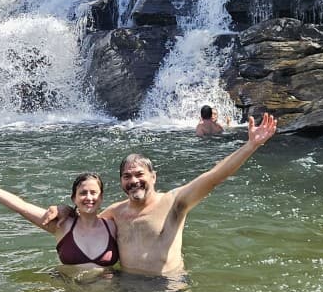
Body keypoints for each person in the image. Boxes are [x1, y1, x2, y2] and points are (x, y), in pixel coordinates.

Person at [107, 112, 277, 277]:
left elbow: (213, 177)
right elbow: (83, 226)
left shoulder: (174, 202)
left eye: (139, 174)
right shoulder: (115, 213)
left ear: (153, 177)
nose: (134, 181)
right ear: (121, 181)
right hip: (128, 285)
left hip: (167, 287)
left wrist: (251, 145)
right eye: (127, 176)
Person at [0, 162, 119, 277]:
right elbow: (20, 205)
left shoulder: (113, 226)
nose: (88, 197)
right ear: (74, 198)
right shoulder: (62, 226)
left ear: (101, 197)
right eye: (83, 193)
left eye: (93, 192)